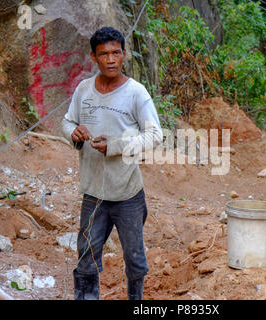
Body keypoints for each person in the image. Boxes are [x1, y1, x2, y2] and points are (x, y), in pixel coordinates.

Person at [61, 26, 163, 300]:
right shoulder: (84, 90)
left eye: (116, 53)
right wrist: (74, 132)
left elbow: (155, 135)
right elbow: (68, 121)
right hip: (93, 194)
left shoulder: (136, 93)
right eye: (104, 54)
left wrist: (115, 146)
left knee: (135, 261)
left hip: (128, 194)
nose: (111, 60)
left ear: (124, 55)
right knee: (86, 258)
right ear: (94, 57)